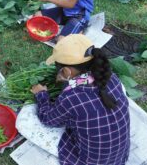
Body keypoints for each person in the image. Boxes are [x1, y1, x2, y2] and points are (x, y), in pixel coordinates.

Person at [30, 34, 130, 165]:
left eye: (58, 69)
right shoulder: (111, 77)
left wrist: (41, 94)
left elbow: (48, 119)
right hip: (119, 158)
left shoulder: (71, 98)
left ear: (66, 72)